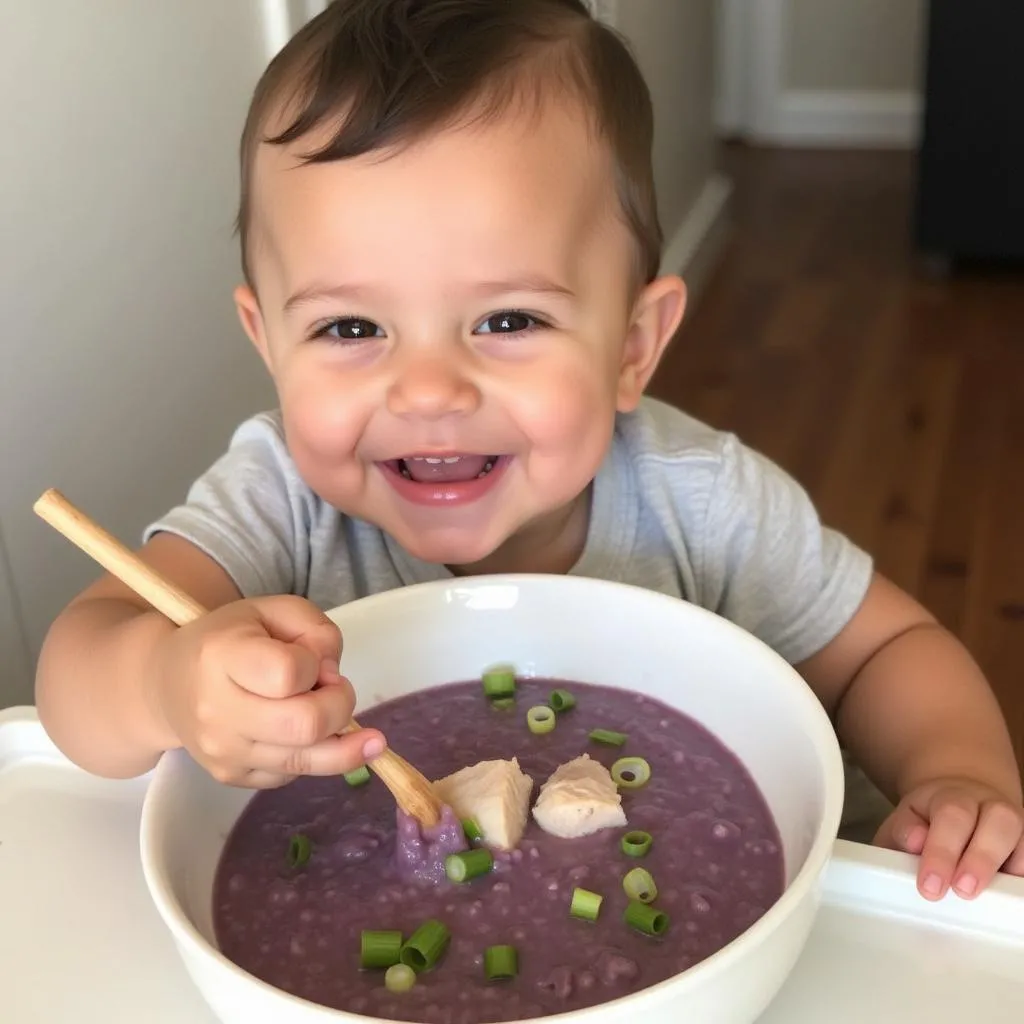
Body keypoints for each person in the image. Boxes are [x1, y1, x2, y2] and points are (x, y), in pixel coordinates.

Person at [35, 0, 1023, 902]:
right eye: (347, 329)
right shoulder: (278, 499)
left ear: (631, 346)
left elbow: (886, 651)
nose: (427, 391)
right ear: (268, 344)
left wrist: (957, 776)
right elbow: (79, 674)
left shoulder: (704, 500)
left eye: (506, 317)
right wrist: (167, 683)